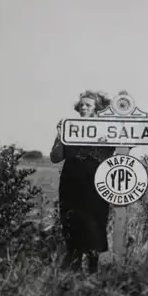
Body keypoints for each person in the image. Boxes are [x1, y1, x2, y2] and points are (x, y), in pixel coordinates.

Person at [50, 90, 116, 273]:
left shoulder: (106, 130)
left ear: (97, 109)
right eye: (82, 104)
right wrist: (60, 135)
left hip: (96, 184)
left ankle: (93, 272)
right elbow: (55, 157)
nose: (83, 107)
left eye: (88, 105)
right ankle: (74, 273)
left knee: (95, 225)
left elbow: (117, 150)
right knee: (71, 223)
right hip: (71, 183)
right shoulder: (69, 128)